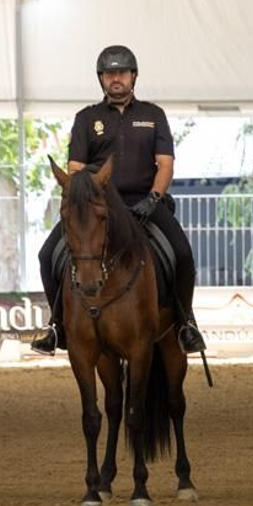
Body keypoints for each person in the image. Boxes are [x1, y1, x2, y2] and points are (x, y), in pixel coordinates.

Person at [32, 45, 204, 355]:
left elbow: (165, 163)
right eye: (109, 74)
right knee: (47, 255)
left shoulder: (153, 115)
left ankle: (185, 323)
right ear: (101, 79)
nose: (116, 79)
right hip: (98, 204)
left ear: (133, 76)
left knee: (182, 254)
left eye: (121, 73)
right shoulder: (86, 118)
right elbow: (76, 169)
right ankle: (57, 325)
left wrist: (153, 199)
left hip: (145, 202)